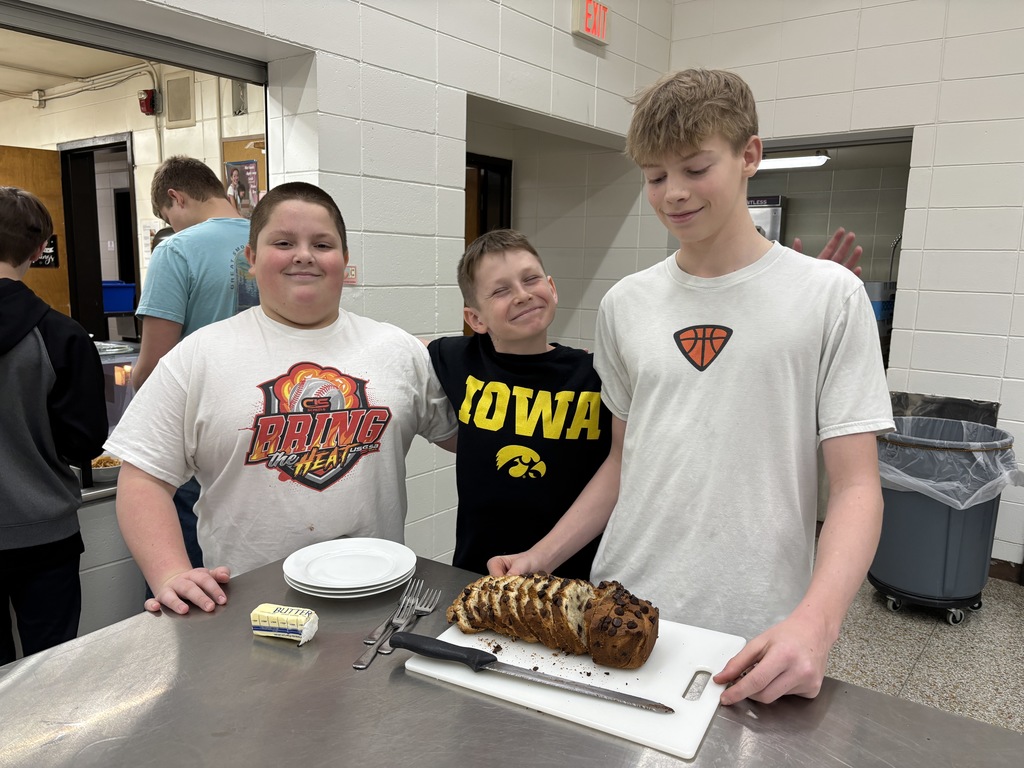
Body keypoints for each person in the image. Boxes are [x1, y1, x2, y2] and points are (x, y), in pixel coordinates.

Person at [488, 69, 894, 707]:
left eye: (696, 168)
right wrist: (542, 554)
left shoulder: (829, 296)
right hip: (621, 606)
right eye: (654, 177)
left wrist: (818, 622)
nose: (673, 193)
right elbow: (623, 461)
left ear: (749, 155)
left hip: (761, 622)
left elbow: (856, 486)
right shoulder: (626, 304)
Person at [431, 227, 863, 580]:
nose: (522, 294)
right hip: (475, 567)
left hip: (575, 571)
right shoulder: (455, 359)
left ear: (552, 288)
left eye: (530, 279)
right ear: (475, 318)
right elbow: (399, 357)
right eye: (501, 290)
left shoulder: (597, 373)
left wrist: (791, 306)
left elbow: (704, 392)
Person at [107, 182, 457, 615]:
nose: (304, 255)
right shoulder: (199, 355)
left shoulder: (397, 349)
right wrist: (169, 573)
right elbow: (143, 477)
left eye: (322, 244)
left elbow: (469, 439)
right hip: (246, 610)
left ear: (344, 259)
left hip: (378, 600)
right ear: (252, 258)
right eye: (284, 243)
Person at [0, 187, 108, 665]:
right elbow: (83, 443)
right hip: (44, 534)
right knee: (51, 669)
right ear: (40, 248)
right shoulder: (61, 334)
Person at [136, 155, 257, 570]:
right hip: (272, 424)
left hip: (203, 430)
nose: (171, 226)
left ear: (176, 198)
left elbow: (154, 367)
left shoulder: (176, 250)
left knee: (190, 576)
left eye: (167, 216)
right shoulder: (272, 241)